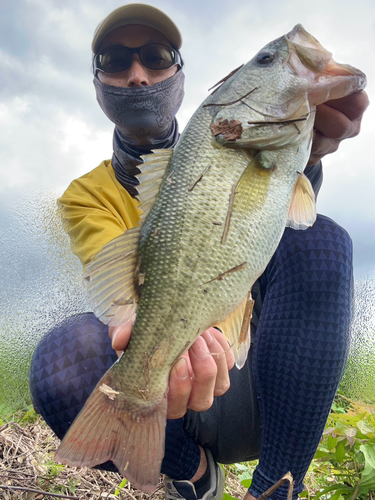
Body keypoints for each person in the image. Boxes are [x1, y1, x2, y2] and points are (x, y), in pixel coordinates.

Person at [29, 4, 369, 500]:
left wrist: (308, 156)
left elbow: (283, 216)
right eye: (116, 60)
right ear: (98, 83)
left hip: (263, 388)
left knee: (322, 239)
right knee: (62, 358)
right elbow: (124, 293)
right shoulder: (84, 195)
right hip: (168, 397)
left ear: (182, 76)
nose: (138, 75)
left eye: (156, 55)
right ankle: (192, 475)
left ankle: (277, 487)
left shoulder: (221, 136)